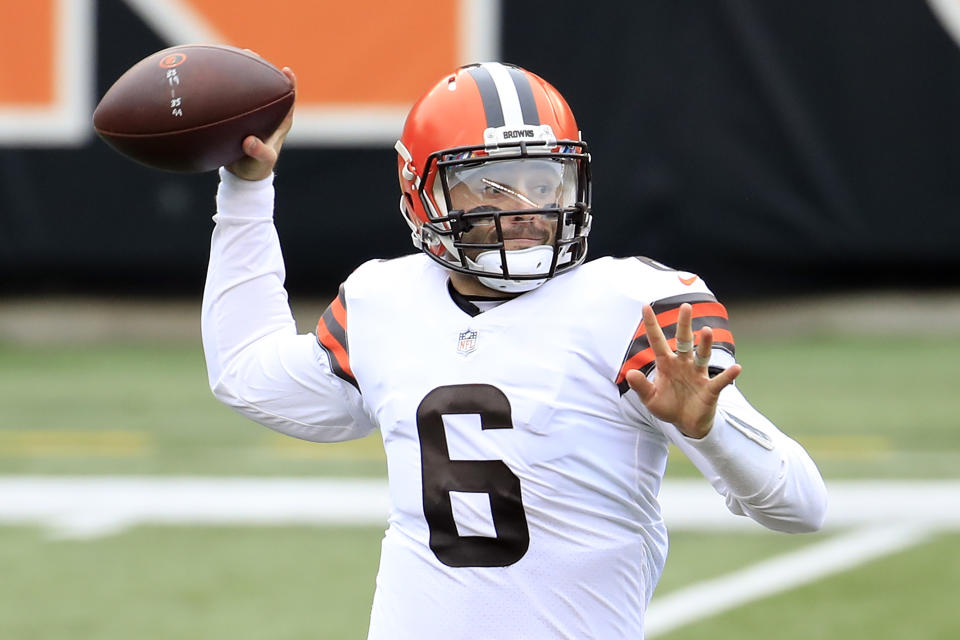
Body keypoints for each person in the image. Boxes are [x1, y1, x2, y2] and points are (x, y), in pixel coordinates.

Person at [202, 61, 827, 639]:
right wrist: (247, 190)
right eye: (492, 188)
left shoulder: (635, 306)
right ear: (424, 193)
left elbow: (801, 505)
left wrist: (711, 429)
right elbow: (244, 374)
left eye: (543, 181)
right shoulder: (382, 301)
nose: (526, 209)